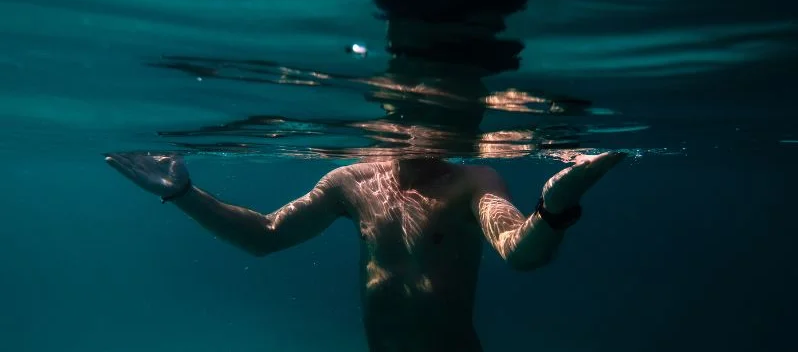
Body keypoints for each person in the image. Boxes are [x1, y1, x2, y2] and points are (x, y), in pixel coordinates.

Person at [105, 151, 626, 351]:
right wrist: (182, 194)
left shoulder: (474, 181)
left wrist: (556, 208)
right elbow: (266, 236)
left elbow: (519, 250)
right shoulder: (351, 180)